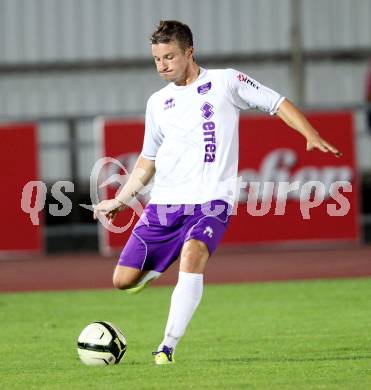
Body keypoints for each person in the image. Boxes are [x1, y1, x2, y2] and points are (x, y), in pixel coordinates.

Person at [93, 20, 341, 365]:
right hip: (164, 206)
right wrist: (121, 200)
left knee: (194, 254)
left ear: (189, 53)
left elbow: (276, 101)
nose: (162, 66)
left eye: (169, 57)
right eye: (156, 59)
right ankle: (167, 258)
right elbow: (147, 161)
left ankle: (166, 347)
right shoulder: (158, 103)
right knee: (122, 281)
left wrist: (309, 134)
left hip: (212, 200)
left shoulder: (226, 81)